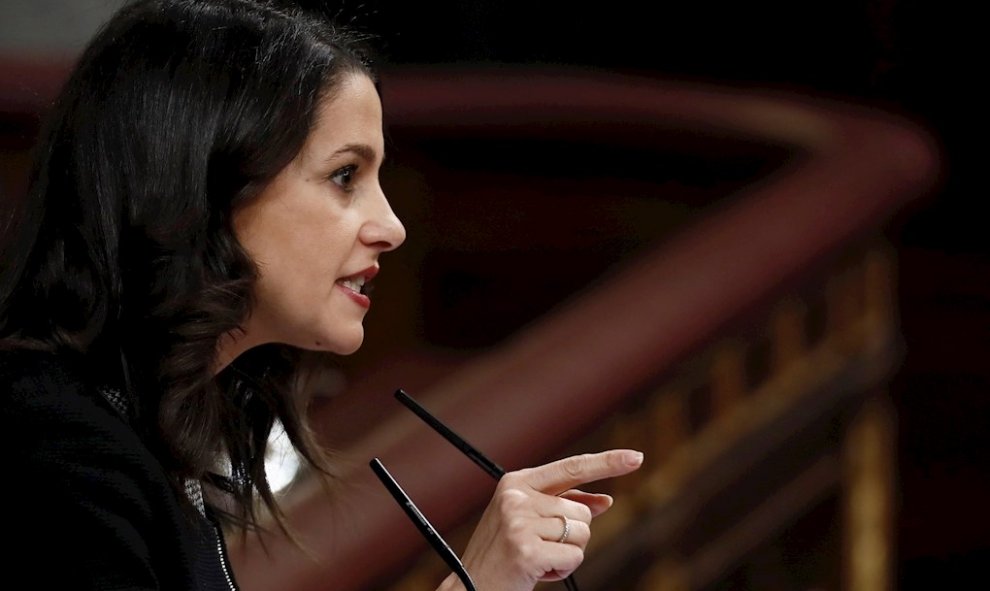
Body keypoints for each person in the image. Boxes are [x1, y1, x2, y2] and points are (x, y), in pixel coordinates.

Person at [0, 1, 643, 589]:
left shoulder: (133, 426)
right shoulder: (53, 459)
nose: (391, 228)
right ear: (202, 187)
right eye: (344, 176)